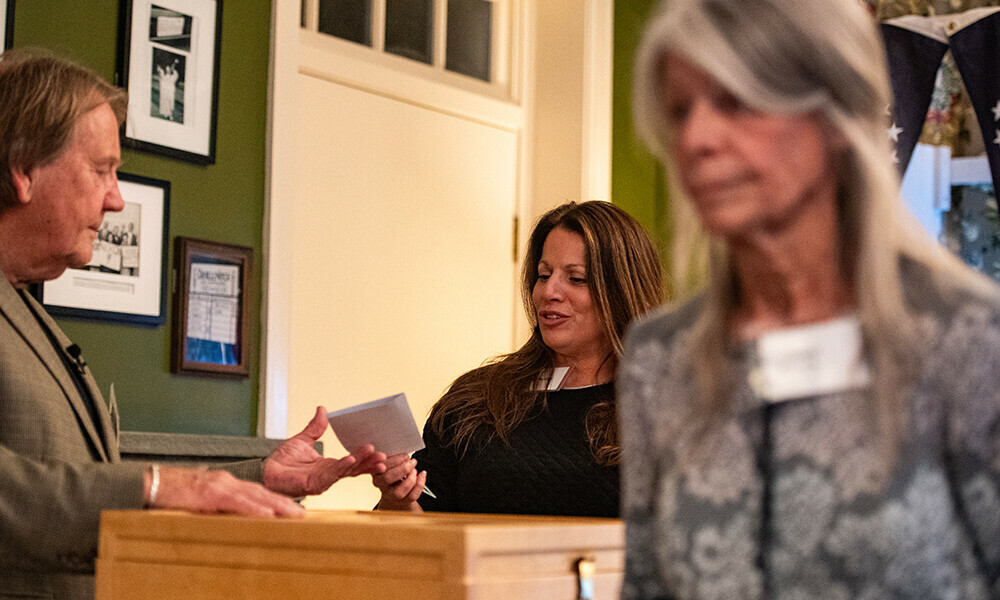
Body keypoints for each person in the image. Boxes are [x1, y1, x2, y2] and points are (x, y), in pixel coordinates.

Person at [618, 0, 1000, 598]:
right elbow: (645, 585)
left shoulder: (967, 338)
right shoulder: (660, 358)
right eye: (679, 110)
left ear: (834, 118)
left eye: (736, 102)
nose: (696, 138)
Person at [0, 47, 388, 599]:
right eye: (102, 169)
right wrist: (158, 485)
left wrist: (257, 477)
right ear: (23, 170)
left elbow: (83, 467)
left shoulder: (26, 306)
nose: (115, 199)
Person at [373, 201, 664, 517]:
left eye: (576, 278)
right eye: (543, 274)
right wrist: (398, 499)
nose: (549, 291)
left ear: (623, 291)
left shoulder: (664, 409)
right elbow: (420, 527)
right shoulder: (475, 400)